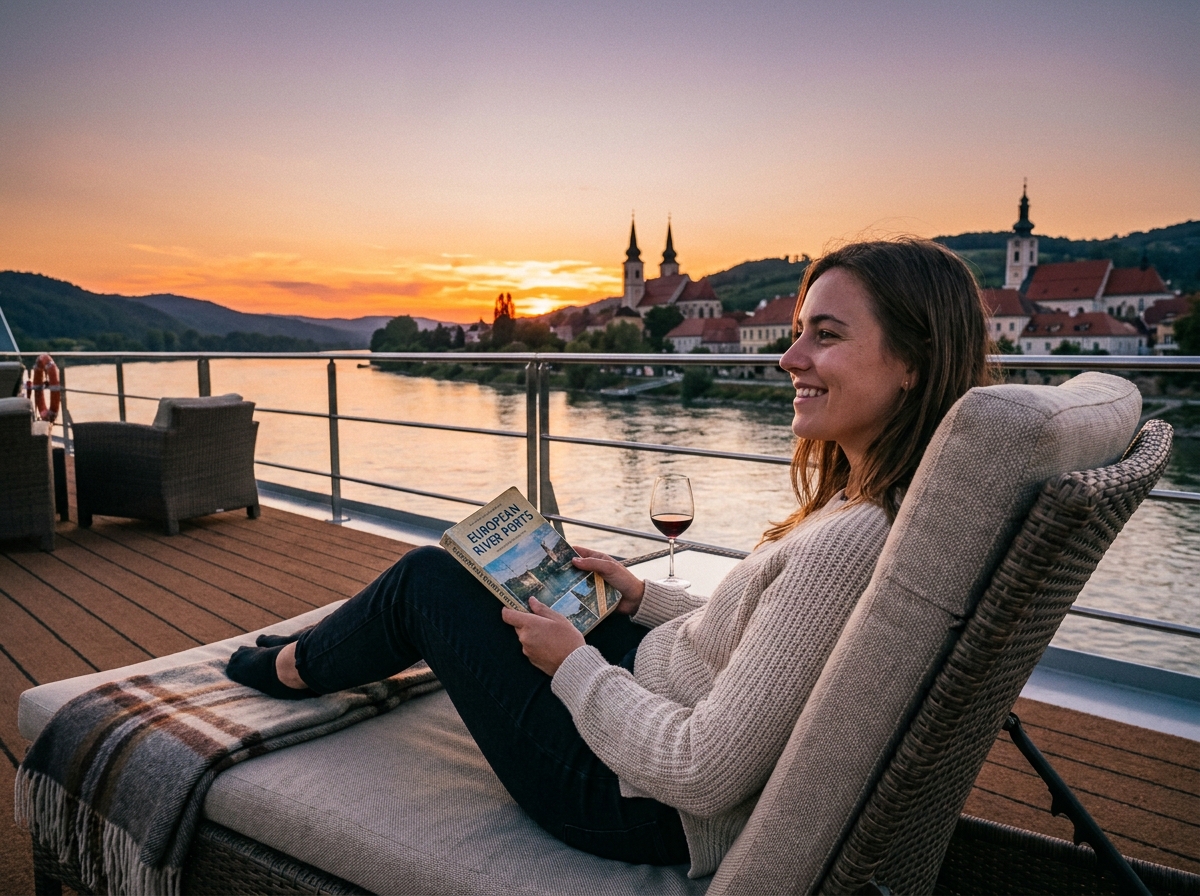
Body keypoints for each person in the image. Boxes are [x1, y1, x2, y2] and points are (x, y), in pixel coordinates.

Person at [227, 238, 991, 878]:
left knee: (429, 580)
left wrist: (571, 666)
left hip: (627, 800)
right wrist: (636, 597)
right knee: (481, 571)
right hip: (651, 682)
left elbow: (702, 772)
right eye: (797, 330)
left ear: (914, 361)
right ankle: (321, 649)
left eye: (825, 335)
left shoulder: (850, 542)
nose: (790, 357)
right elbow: (769, 640)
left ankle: (294, 666)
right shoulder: (869, 504)